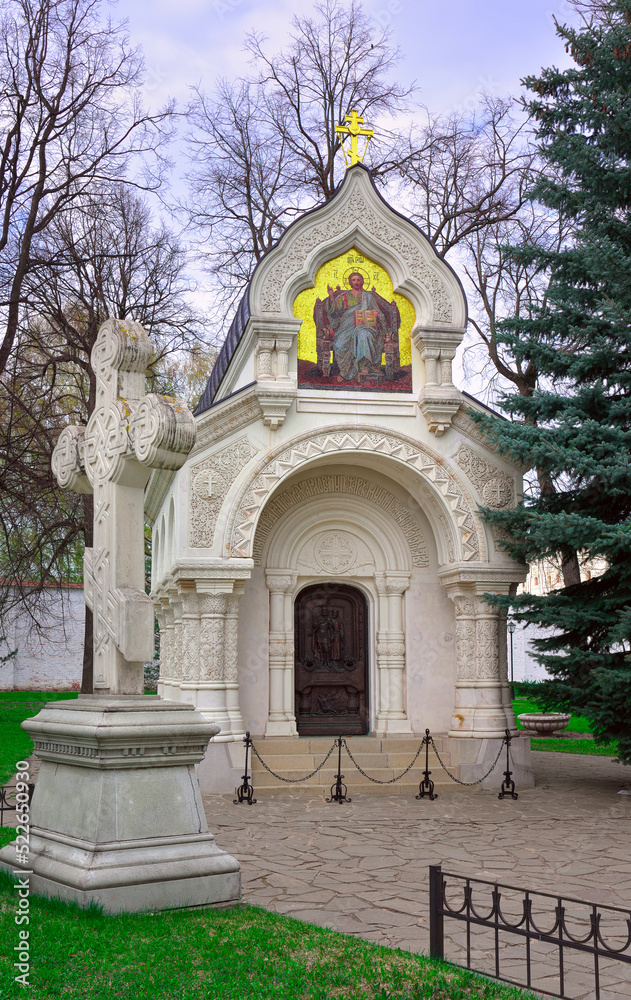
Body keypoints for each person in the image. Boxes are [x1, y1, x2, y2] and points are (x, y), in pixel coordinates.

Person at [324, 272, 392, 381]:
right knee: (339, 345)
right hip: (347, 327)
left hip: (365, 327)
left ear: (362, 282)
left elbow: (380, 314)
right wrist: (331, 296)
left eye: (358, 280)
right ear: (350, 282)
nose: (356, 282)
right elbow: (334, 312)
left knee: (364, 336)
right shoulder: (344, 297)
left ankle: (364, 366)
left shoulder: (368, 297)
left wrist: (376, 314)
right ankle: (345, 372)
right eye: (353, 280)